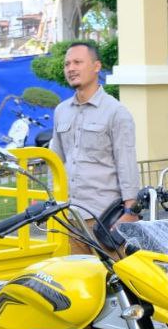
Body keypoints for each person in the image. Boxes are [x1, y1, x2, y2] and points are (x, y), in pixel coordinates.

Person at [48, 42, 139, 253]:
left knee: (114, 281)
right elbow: (55, 160)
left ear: (96, 66)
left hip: (105, 218)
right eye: (67, 64)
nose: (71, 68)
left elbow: (126, 163)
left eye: (78, 62)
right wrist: (52, 204)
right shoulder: (61, 111)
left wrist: (131, 211)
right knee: (77, 282)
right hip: (69, 218)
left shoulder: (116, 112)